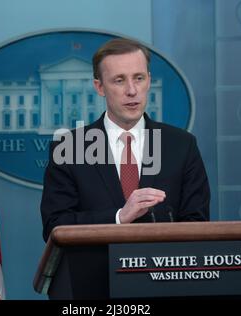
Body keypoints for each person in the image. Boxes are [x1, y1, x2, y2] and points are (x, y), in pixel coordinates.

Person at [40, 37, 210, 242]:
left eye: (138, 78)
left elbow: (197, 223)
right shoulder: (69, 148)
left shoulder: (182, 145)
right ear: (100, 87)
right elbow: (55, 226)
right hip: (95, 272)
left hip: (163, 271)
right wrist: (119, 217)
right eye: (119, 80)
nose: (132, 90)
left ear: (149, 80)